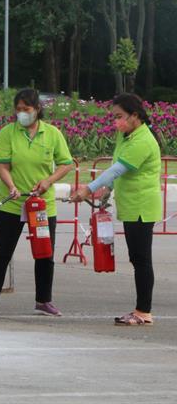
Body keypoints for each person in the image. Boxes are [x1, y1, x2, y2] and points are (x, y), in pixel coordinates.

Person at [70, 93, 160, 326]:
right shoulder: (127, 135)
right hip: (130, 205)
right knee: (137, 257)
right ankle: (142, 309)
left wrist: (88, 189)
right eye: (114, 117)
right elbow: (114, 169)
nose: (116, 122)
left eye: (120, 117)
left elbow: (116, 171)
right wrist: (105, 191)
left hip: (141, 206)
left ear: (135, 116)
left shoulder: (142, 141)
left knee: (141, 259)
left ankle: (143, 311)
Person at [0, 88, 73, 318]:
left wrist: (48, 181)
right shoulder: (7, 133)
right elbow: (2, 166)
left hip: (42, 205)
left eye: (26, 109)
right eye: (18, 109)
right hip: (13, 203)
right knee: (2, 251)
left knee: (44, 253)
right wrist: (11, 186)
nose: (22, 113)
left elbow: (65, 163)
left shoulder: (52, 134)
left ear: (37, 110)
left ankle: (43, 300)